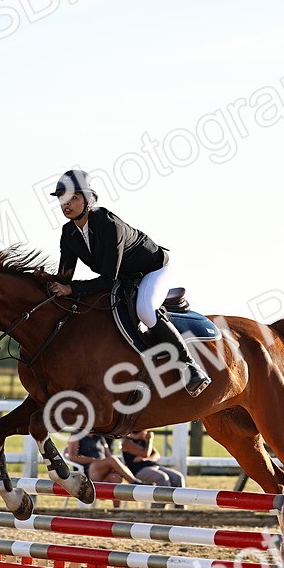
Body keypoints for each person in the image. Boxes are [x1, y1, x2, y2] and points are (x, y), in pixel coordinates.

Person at [46, 168, 211, 397]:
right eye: (63, 198)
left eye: (74, 197)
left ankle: (190, 366)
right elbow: (65, 276)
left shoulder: (107, 225)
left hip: (152, 270)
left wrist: (71, 288)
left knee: (145, 310)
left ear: (88, 200)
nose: (67, 203)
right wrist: (46, 283)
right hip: (125, 277)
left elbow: (107, 280)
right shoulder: (68, 233)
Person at [121, 428, 185, 508]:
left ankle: (180, 510)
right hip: (139, 470)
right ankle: (157, 510)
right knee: (162, 478)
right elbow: (145, 453)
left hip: (153, 466)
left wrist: (146, 459)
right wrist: (150, 441)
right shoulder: (127, 442)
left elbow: (157, 455)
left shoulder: (145, 441)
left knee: (178, 477)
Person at [65, 432, 138, 489]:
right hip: (88, 470)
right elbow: (72, 456)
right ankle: (135, 482)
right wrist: (92, 460)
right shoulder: (76, 436)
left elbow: (108, 455)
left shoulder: (99, 437)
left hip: (103, 468)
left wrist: (113, 467)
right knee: (112, 460)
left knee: (115, 477)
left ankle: (116, 508)